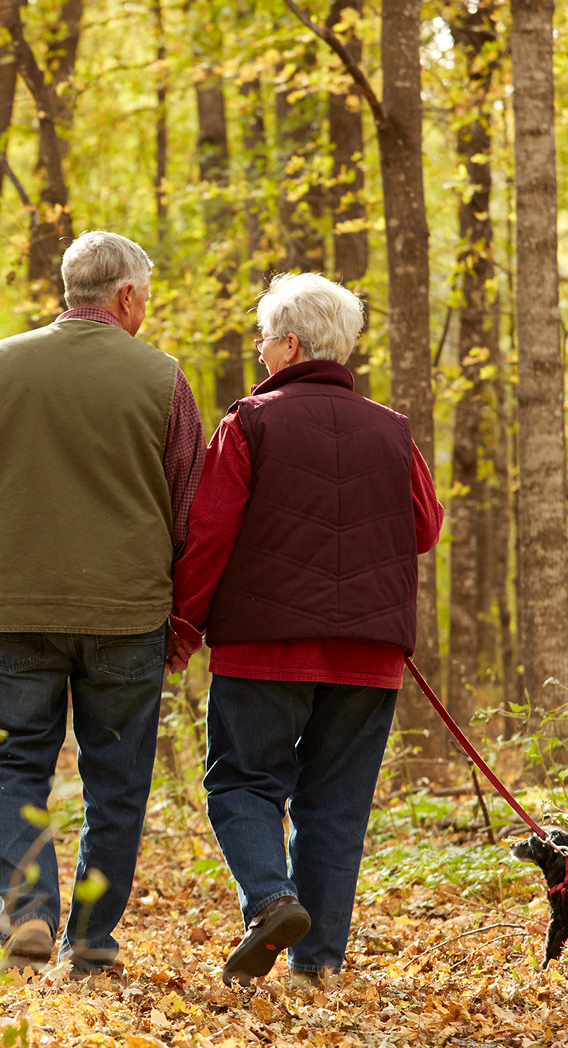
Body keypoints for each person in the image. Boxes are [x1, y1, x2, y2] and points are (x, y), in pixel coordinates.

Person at [0, 230, 205, 974]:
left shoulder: (2, 365)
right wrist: (186, 617)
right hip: (126, 614)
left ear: (70, 290)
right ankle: (93, 939)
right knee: (118, 775)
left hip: (16, 609)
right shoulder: (163, 378)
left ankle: (28, 911)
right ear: (127, 297)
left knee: (10, 764)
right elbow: (189, 516)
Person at [169, 271, 445, 985]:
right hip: (368, 655)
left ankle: (269, 899)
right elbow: (424, 527)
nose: (260, 352)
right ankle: (315, 967)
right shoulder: (391, 429)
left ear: (288, 343)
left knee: (241, 783)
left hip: (263, 648)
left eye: (263, 339)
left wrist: (184, 622)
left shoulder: (247, 423)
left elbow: (207, 534)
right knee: (335, 806)